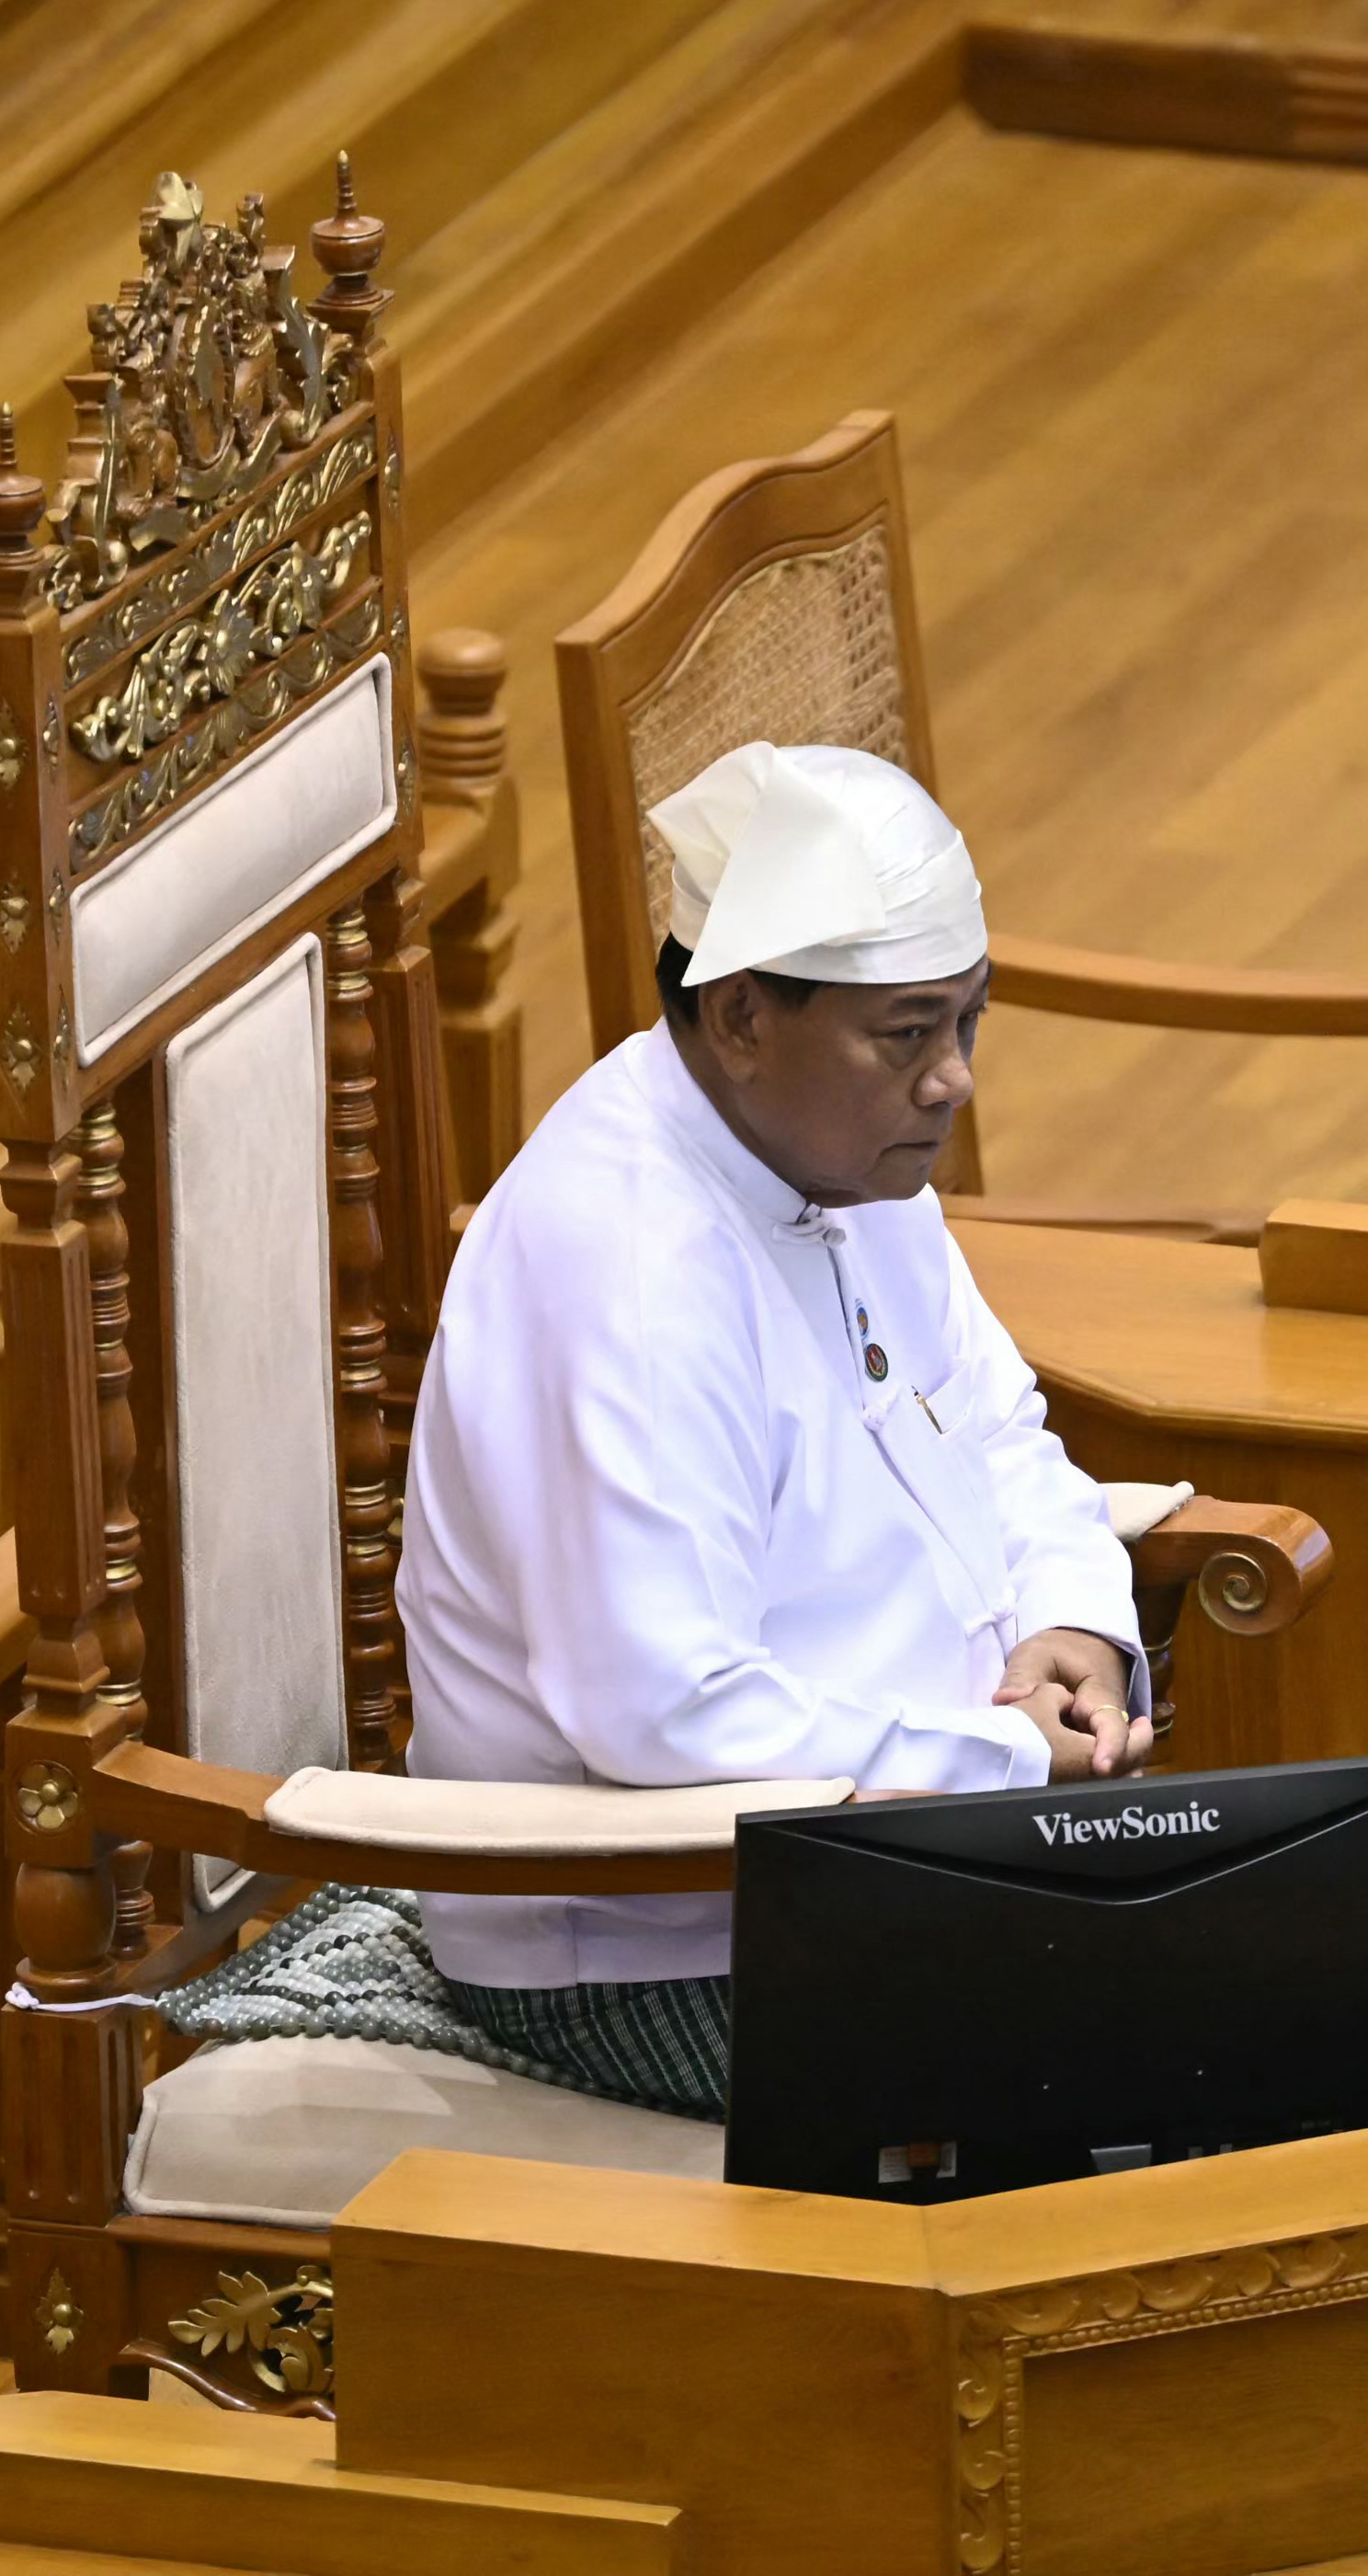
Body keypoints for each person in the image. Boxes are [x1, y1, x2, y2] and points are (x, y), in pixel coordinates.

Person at [393, 738, 1156, 2121]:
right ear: (742, 1016)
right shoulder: (628, 1272)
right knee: (1169, 2097)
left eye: (969, 1022)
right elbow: (664, 1710)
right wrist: (997, 1757)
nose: (953, 1081)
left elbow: (992, 1422)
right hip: (658, 1947)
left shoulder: (842, 1152)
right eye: (909, 1032)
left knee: (1294, 1985)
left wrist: (1073, 1618)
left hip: (911, 1853)